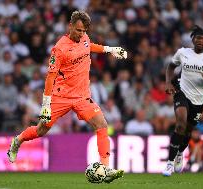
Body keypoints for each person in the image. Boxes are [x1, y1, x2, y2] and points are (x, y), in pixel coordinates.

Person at [7, 11, 127, 183]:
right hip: (60, 96)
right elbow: (50, 77)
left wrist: (110, 49)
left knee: (102, 124)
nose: (81, 34)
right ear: (70, 26)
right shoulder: (60, 48)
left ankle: (105, 167)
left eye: (84, 30)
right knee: (41, 130)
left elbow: (89, 46)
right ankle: (17, 141)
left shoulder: (84, 38)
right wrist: (46, 104)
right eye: (78, 30)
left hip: (81, 96)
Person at [162, 25, 203, 176]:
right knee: (180, 124)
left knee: (188, 130)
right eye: (198, 38)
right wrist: (168, 82)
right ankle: (169, 164)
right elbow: (171, 67)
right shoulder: (183, 53)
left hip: (199, 99)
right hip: (181, 92)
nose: (200, 41)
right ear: (193, 39)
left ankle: (179, 153)